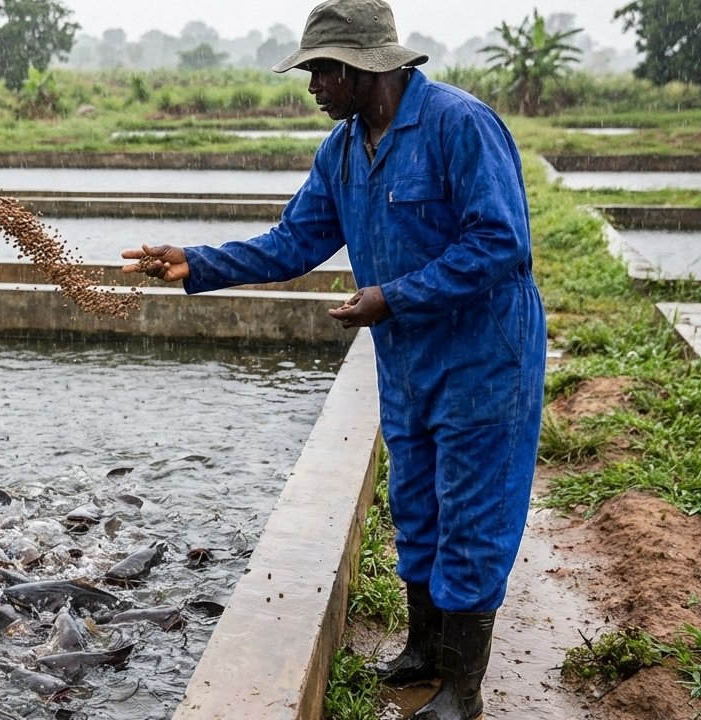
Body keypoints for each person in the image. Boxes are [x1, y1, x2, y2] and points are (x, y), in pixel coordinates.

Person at [122, 1, 545, 718]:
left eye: (322, 70)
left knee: (472, 514)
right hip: (408, 361)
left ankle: (462, 691)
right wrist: (194, 262)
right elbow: (292, 243)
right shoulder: (344, 150)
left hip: (483, 357)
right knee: (417, 508)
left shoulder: (457, 125)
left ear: (364, 67)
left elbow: (500, 244)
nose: (313, 84)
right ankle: (423, 646)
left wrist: (392, 296)